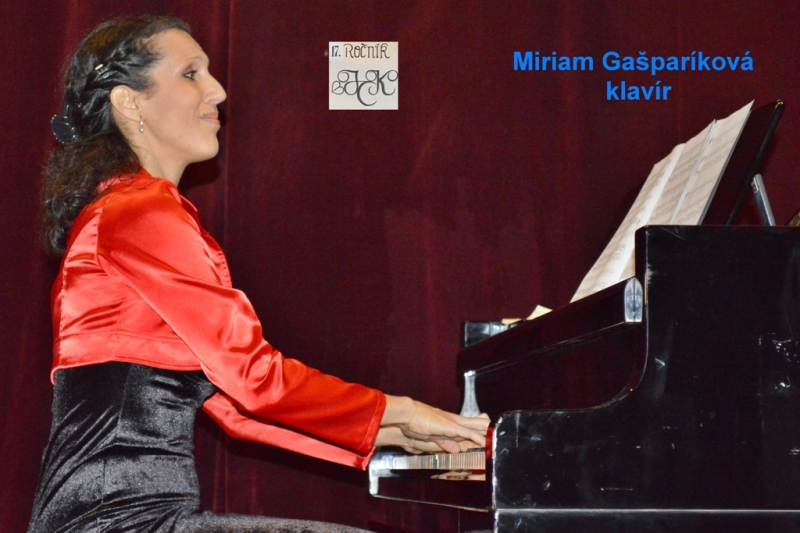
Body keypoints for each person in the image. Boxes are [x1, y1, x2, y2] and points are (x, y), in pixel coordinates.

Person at [29, 14, 489, 533]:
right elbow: (255, 380)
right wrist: (399, 410)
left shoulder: (128, 211)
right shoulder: (138, 212)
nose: (218, 91)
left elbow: (234, 407)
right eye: (191, 73)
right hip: (115, 520)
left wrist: (397, 433)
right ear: (129, 101)